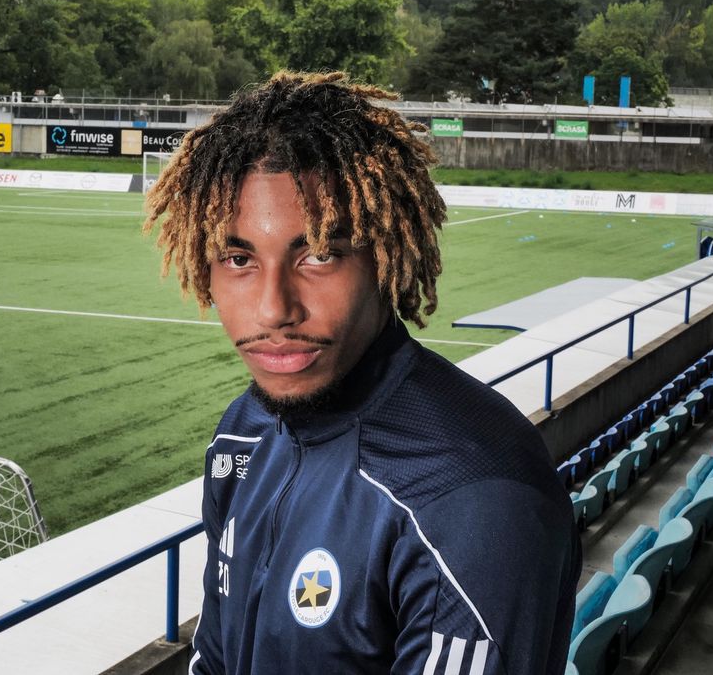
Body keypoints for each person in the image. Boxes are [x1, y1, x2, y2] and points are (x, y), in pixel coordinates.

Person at [144, 71, 580, 675]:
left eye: (320, 254)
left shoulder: (470, 501)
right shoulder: (243, 433)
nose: (274, 310)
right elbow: (214, 658)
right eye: (238, 258)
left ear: (386, 257)